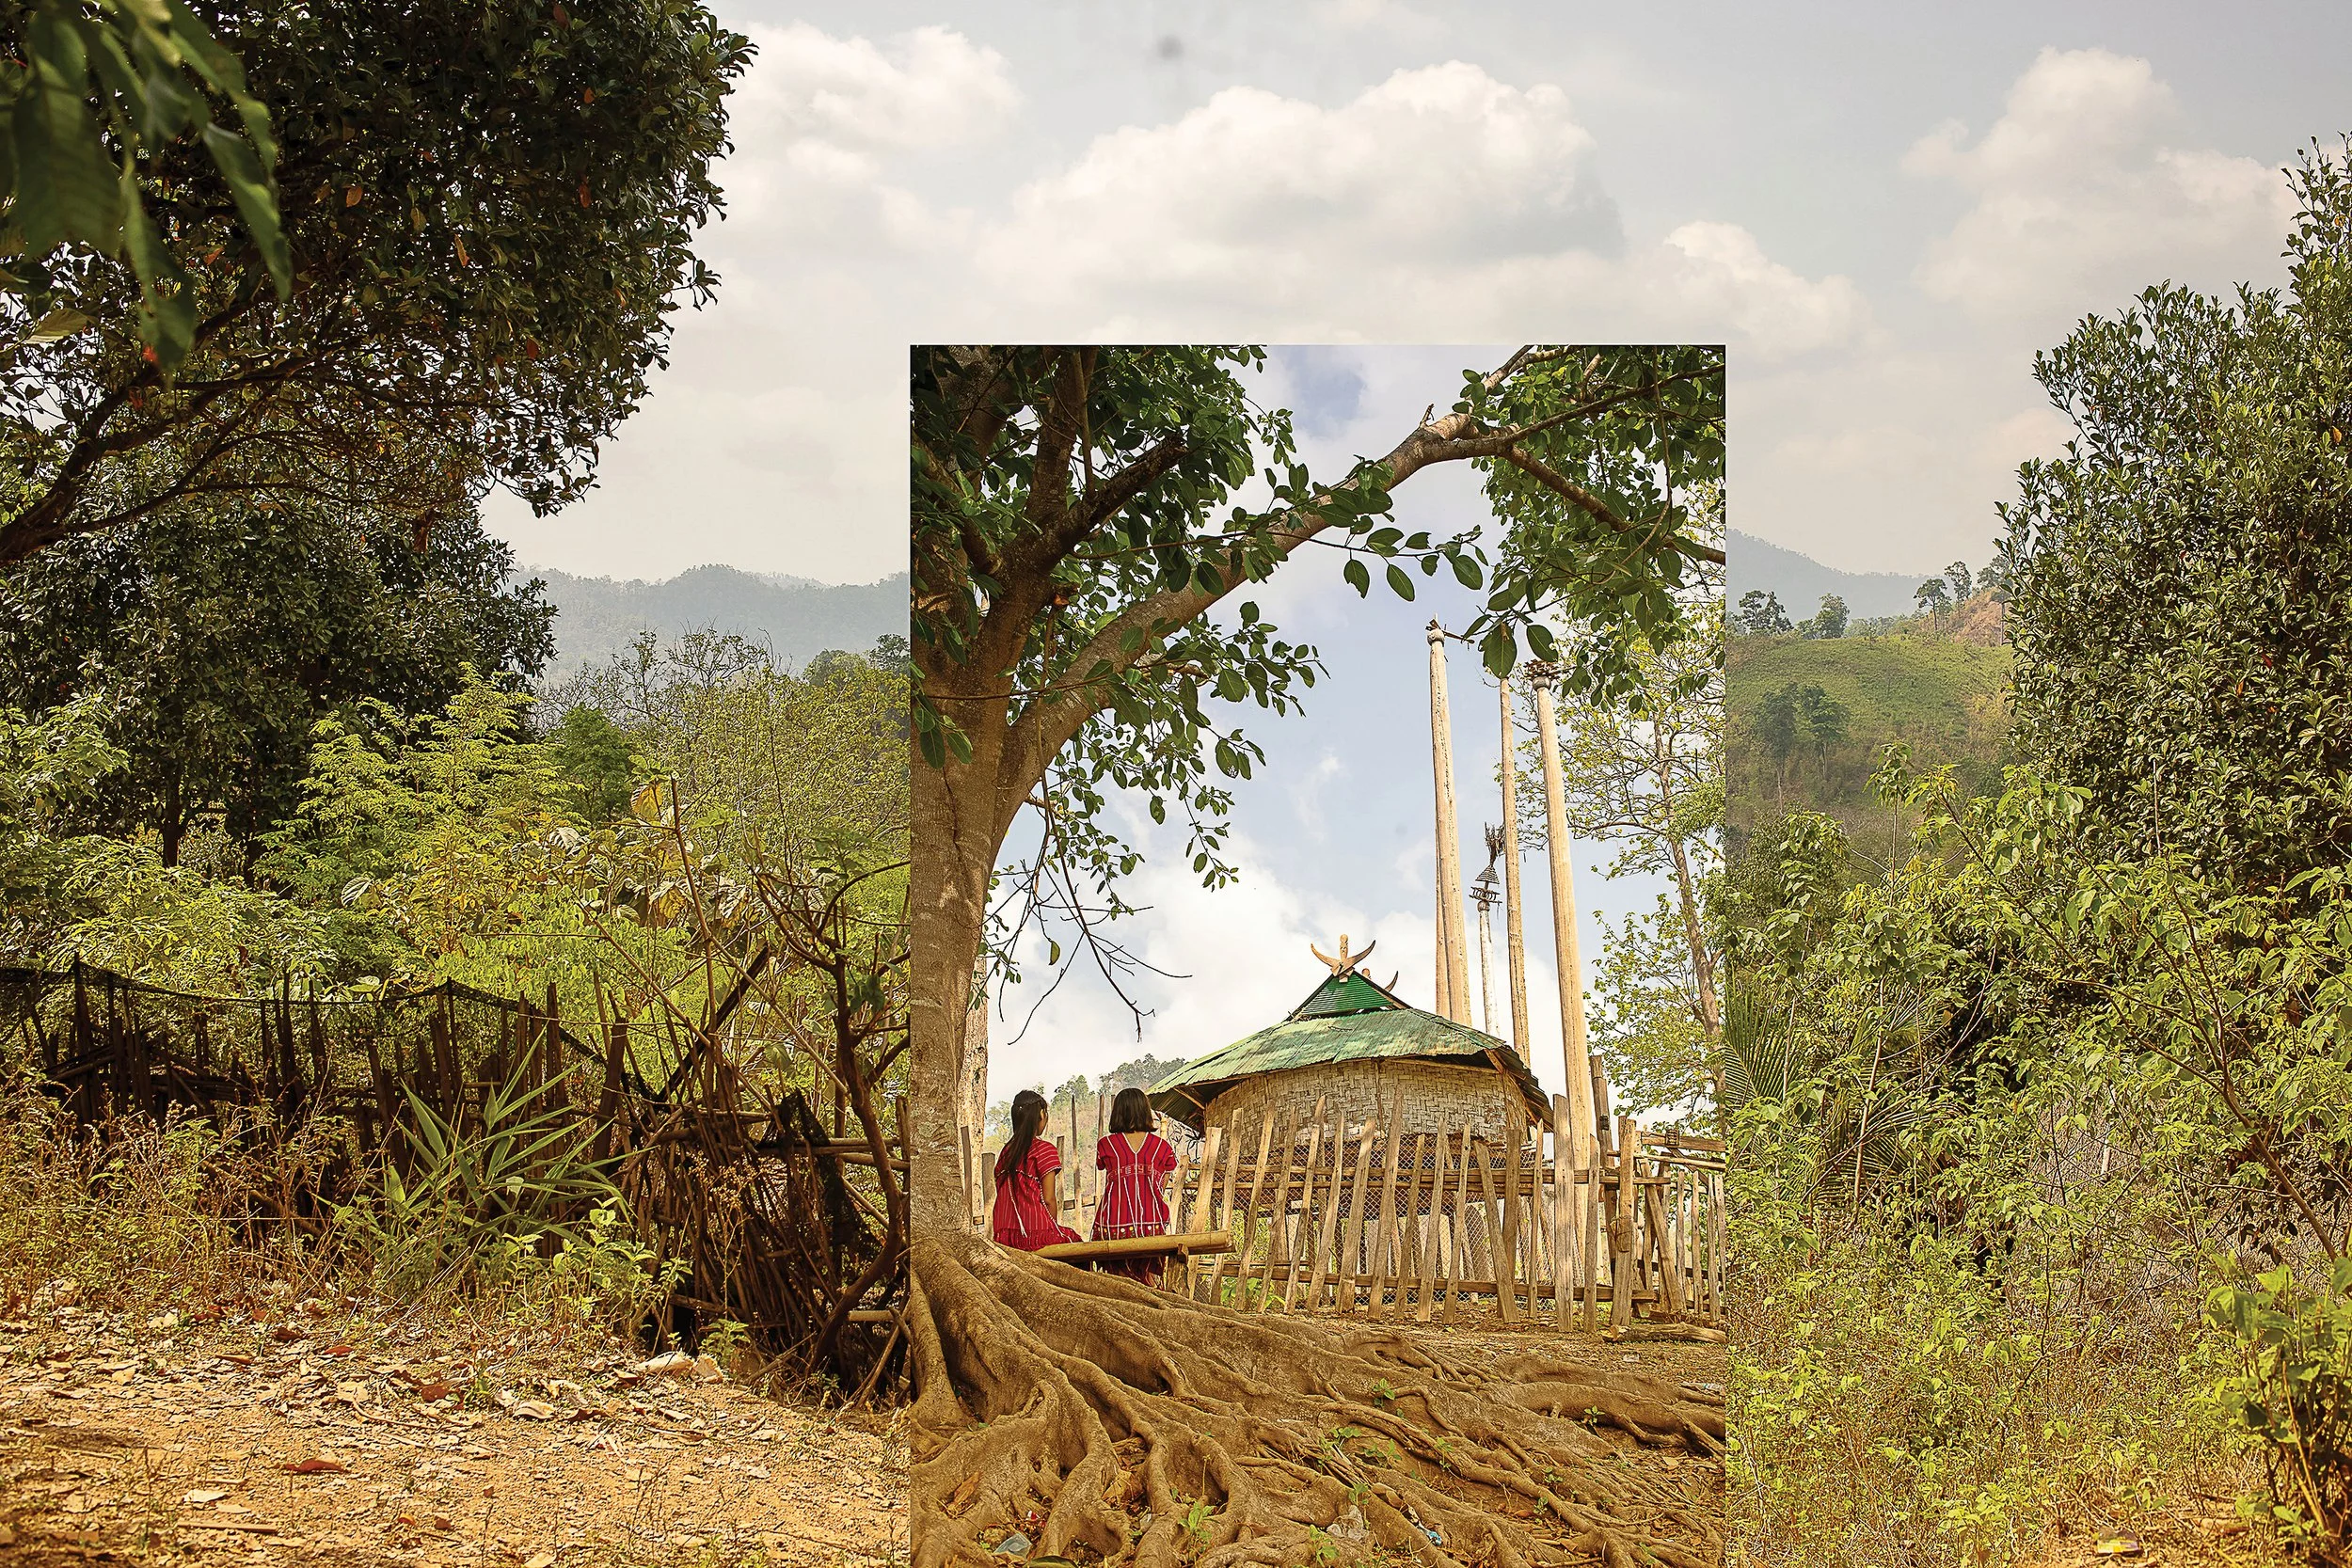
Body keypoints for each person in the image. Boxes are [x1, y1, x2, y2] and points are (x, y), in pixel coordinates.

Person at [1091, 1086, 1179, 1285]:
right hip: (1151, 1224)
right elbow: (1163, 1181)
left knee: (1117, 1282)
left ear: (1118, 1113)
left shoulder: (1106, 1145)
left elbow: (1102, 1165)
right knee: (1149, 1282)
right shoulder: (1162, 1147)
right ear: (1144, 1111)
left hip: (1114, 1226)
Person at [992, 1088, 1080, 1251]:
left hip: (1004, 1239)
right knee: (1075, 1244)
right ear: (1041, 1115)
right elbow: (1049, 1199)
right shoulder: (1044, 1150)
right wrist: (1052, 1230)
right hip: (1034, 1235)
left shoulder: (1005, 1154)